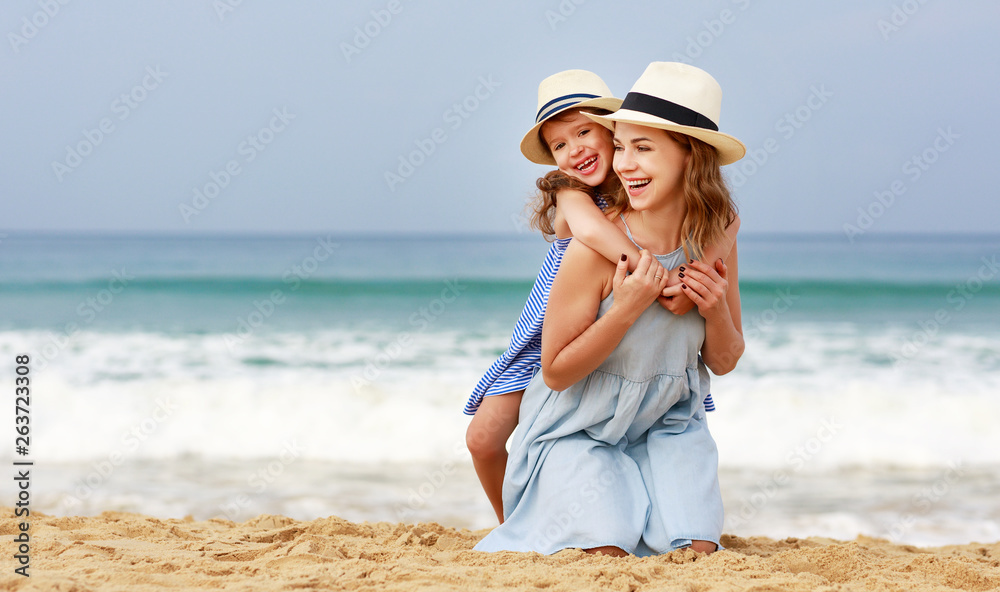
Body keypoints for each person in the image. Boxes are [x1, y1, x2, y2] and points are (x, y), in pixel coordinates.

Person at [473, 61, 745, 556]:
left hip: (660, 407)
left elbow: (724, 358)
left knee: (696, 549)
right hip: (557, 354)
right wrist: (639, 291)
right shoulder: (580, 209)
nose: (622, 162)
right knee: (485, 436)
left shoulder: (708, 231)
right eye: (624, 147)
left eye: (637, 146)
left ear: (692, 157)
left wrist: (712, 306)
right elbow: (556, 369)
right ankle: (516, 517)